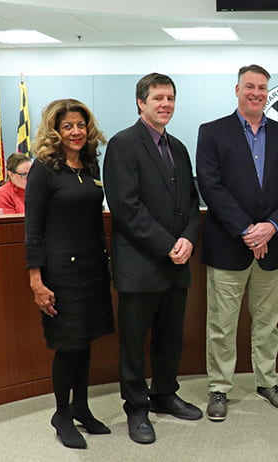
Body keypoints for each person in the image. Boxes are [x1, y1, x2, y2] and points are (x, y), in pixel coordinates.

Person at [195, 64, 278, 421]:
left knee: (267, 323)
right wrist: (246, 229)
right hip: (228, 245)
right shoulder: (212, 132)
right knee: (222, 325)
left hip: (273, 246)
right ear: (237, 89)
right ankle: (219, 388)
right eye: (249, 87)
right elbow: (211, 186)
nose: (256, 93)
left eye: (262, 88)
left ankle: (266, 381)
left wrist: (270, 227)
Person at [103, 73, 202, 444]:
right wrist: (169, 244)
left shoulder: (177, 146)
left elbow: (192, 201)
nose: (166, 104)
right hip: (141, 263)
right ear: (141, 103)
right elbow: (126, 208)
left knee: (169, 337)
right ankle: (137, 408)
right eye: (158, 97)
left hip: (176, 262)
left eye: (171, 98)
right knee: (133, 341)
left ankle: (164, 394)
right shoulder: (123, 144)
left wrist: (189, 238)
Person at [25, 99, 115, 449]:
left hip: (92, 266)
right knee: (68, 344)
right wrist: (36, 280)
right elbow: (33, 229)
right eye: (67, 126)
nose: (75, 131)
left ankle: (82, 407)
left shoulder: (90, 162)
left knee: (86, 340)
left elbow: (95, 218)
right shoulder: (44, 170)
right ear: (55, 131)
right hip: (60, 271)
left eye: (80, 124)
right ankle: (61, 414)